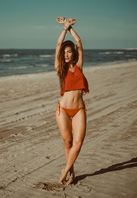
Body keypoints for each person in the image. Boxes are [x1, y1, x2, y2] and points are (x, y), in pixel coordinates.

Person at [54, 16, 89, 185]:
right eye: (64, 52)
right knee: (68, 143)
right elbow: (59, 45)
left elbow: (79, 42)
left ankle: (65, 171)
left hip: (79, 110)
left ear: (73, 53)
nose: (66, 54)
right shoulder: (60, 68)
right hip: (63, 111)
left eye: (69, 52)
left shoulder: (79, 66)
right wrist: (63, 28)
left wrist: (70, 28)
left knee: (78, 142)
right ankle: (72, 173)